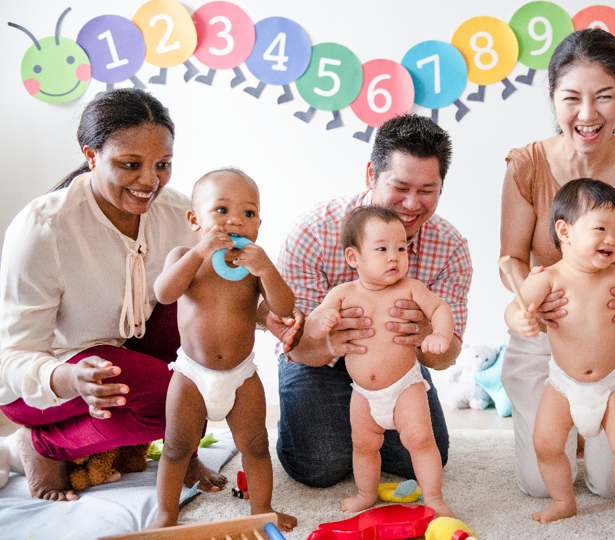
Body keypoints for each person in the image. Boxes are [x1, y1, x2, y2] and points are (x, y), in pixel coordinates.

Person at [0, 89, 299, 503]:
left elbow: (224, 296)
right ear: (91, 155)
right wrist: (68, 377)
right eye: (130, 165)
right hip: (48, 379)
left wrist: (272, 318)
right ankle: (44, 446)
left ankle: (182, 452)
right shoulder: (42, 228)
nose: (150, 181)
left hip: (125, 352)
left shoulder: (180, 213)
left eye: (163, 165)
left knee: (192, 313)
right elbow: (10, 357)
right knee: (169, 399)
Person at [499, 28, 615, 501]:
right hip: (551, 332)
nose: (587, 114)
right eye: (571, 98)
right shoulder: (527, 163)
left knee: (608, 485)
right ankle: (570, 430)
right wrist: (529, 307)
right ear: (553, 97)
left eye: (604, 97)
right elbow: (510, 258)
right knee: (539, 485)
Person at [274, 113, 473, 488]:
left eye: (427, 190)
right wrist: (328, 338)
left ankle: (359, 435)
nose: (412, 204)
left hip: (397, 364)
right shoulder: (314, 233)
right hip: (317, 360)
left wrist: (427, 332)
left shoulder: (450, 248)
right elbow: (295, 345)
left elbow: (447, 355)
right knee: (319, 465)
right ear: (371, 175)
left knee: (422, 459)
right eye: (400, 187)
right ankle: (322, 427)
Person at [505, 179, 615, 535]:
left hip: (613, 384)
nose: (612, 239)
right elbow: (516, 305)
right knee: (546, 444)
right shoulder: (549, 278)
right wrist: (520, 318)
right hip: (563, 385)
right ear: (564, 231)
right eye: (601, 229)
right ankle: (563, 501)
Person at [147, 169, 296, 530]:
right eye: (221, 210)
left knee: (257, 445)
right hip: (191, 374)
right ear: (194, 219)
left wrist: (267, 270)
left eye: (248, 214)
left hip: (241, 375)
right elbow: (165, 293)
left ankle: (262, 509)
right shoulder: (185, 255)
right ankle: (166, 512)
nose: (235, 220)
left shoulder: (252, 266)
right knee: (176, 447)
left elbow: (284, 309)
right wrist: (199, 252)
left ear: (259, 223)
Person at [306, 205, 455, 516]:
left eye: (401, 248)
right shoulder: (343, 293)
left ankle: (434, 498)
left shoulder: (411, 288)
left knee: (421, 440)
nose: (394, 257)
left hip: (405, 387)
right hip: (363, 392)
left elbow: (441, 309)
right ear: (353, 258)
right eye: (383, 249)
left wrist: (439, 334)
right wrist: (321, 323)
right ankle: (365, 493)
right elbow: (314, 320)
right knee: (363, 445)